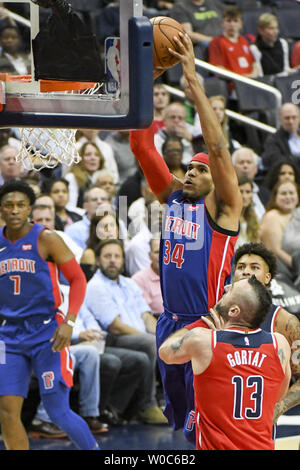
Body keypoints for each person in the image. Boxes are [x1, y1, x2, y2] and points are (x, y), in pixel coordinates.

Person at [130, 32, 242, 443]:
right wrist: (148, 76)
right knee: (182, 424)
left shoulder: (223, 208)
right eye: (189, 169)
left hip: (205, 323)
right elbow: (141, 145)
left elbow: (216, 148)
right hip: (169, 322)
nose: (193, 172)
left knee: (207, 424)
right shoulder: (174, 197)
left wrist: (192, 77)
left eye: (202, 170)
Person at [0, 179, 100, 450]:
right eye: (8, 205)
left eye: (21, 205)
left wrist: (69, 321)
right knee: (7, 411)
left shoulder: (47, 239)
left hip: (48, 331)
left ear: (29, 209)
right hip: (9, 335)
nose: (15, 210)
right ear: (1, 210)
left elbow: (78, 280)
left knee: (58, 410)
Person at [159, 276, 291, 450]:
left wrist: (202, 326)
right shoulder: (279, 344)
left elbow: (165, 352)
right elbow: (278, 395)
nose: (226, 287)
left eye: (232, 289)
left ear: (234, 311)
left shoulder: (204, 341)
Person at [84, 238, 167, 424]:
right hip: (111, 339)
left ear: (123, 260)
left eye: (117, 256)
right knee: (149, 343)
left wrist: (162, 336)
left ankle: (168, 401)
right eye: (107, 256)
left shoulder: (128, 283)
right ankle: (148, 405)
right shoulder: (96, 286)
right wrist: (150, 338)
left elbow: (146, 316)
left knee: (166, 340)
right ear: (98, 260)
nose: (112, 260)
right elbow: (116, 326)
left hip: (133, 336)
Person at [233, 242, 300, 422]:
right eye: (241, 267)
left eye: (254, 267)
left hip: (258, 424)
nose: (246, 271)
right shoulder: (217, 315)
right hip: (219, 422)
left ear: (267, 277)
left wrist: (278, 408)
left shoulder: (284, 322)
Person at [260, 180, 300, 283]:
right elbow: (274, 251)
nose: (288, 197)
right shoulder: (272, 216)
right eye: (283, 193)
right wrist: (297, 266)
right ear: (275, 197)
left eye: (291, 193)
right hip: (284, 273)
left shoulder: (297, 213)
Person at [209, 6, 259, 79]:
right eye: (228, 21)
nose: (232, 24)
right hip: (234, 83)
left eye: (235, 21)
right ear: (222, 23)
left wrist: (253, 75)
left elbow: (253, 64)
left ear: (241, 24)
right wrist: (237, 78)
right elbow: (217, 68)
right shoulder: (216, 42)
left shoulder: (244, 40)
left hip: (250, 81)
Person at [250, 13, 297, 79]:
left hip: (283, 82)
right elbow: (260, 75)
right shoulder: (254, 48)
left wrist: (295, 70)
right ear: (261, 30)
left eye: (276, 28)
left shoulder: (283, 43)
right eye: (271, 28)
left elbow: (286, 69)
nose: (276, 31)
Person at [232, 146, 269, 221]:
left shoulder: (265, 193)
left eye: (249, 162)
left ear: (256, 168)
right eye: (241, 162)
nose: (245, 166)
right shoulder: (226, 191)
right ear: (233, 167)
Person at [65, 141, 106, 209]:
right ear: (80, 158)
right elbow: (70, 207)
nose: (93, 158)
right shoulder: (71, 177)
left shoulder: (101, 179)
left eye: (96, 155)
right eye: (88, 154)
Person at [262, 102, 300, 173]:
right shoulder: (273, 140)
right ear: (280, 120)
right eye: (287, 118)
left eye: (294, 117)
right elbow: (278, 161)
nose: (291, 121)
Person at [132, 235, 164, 318]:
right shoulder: (139, 279)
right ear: (150, 256)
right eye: (157, 252)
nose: (162, 255)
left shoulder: (177, 276)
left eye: (165, 251)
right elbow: (145, 314)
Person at [235, 175, 260, 250]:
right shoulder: (227, 216)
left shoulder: (253, 216)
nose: (244, 196)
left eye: (248, 192)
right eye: (241, 191)